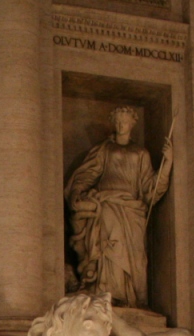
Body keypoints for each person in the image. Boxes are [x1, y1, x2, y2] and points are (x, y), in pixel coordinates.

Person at [65, 105, 172, 308]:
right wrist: (77, 192)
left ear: (133, 123)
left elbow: (151, 188)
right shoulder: (105, 149)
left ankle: (133, 298)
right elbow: (87, 174)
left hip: (133, 210)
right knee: (110, 250)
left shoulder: (141, 153)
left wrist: (167, 163)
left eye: (125, 121)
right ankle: (109, 295)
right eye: (118, 121)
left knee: (137, 257)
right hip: (108, 204)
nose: (121, 125)